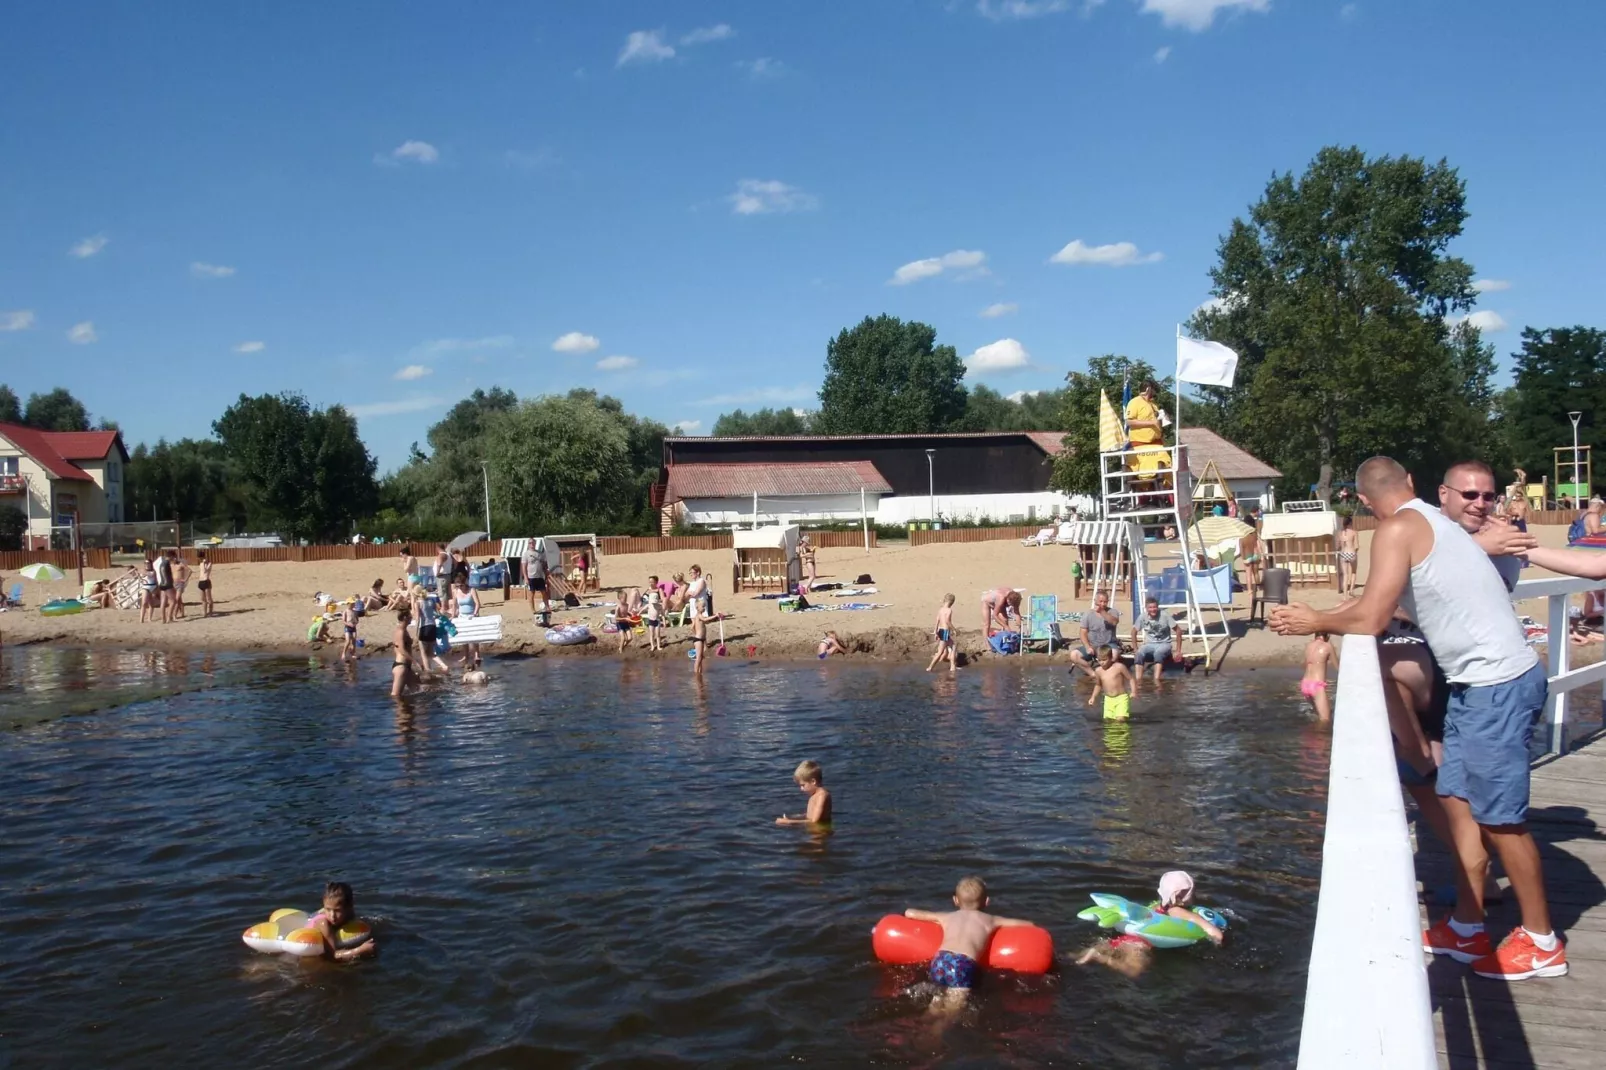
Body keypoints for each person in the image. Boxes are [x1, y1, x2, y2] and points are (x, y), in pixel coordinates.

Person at [1272, 456, 1564, 981]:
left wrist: (1315, 619)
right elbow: (1407, 599)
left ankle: (1542, 941)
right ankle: (1469, 926)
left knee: (1500, 819)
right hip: (1476, 686)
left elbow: (1374, 617)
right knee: (1455, 801)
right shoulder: (1435, 521)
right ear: (1411, 482)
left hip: (1498, 685)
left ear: (1362, 501)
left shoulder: (1394, 531)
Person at [902, 877, 1036, 1014]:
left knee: (937, 1000)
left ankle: (924, 1027)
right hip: (963, 964)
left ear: (955, 900)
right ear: (987, 901)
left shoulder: (946, 916)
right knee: (951, 1012)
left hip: (940, 960)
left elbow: (910, 912)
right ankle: (937, 1032)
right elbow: (1029, 925)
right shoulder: (991, 919)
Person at [1075, 870, 1224, 978]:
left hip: (1126, 937)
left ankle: (1090, 953)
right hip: (1139, 945)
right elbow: (1215, 933)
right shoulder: (1178, 911)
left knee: (1077, 959)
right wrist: (1217, 942)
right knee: (1133, 971)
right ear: (1184, 897)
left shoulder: (1154, 906)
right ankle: (1100, 957)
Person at [308, 881, 376, 962]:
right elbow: (332, 956)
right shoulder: (324, 924)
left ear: (349, 907)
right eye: (328, 909)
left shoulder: (350, 913)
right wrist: (359, 950)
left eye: (337, 911)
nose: (332, 915)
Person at [1130, 596, 1181, 690]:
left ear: (1157, 607)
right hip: (1149, 644)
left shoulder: (1164, 615)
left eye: (1154, 607)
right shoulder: (1143, 617)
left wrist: (1178, 650)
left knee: (1158, 653)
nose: (1153, 609)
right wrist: (1135, 648)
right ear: (1146, 608)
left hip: (1164, 643)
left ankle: (1156, 680)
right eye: (1150, 607)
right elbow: (1133, 632)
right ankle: (1138, 681)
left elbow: (1178, 630)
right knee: (1139, 653)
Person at [1124, 379, 1169, 480]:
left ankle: (1164, 492)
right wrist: (1151, 423)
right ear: (1148, 389)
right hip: (1141, 446)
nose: (1155, 393)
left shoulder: (1153, 405)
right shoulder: (1135, 402)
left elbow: (1158, 423)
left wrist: (1164, 419)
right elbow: (1129, 422)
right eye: (1154, 390)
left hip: (1156, 444)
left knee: (1167, 468)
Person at [1068, 591, 1120, 677]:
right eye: (1100, 601)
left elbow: (1114, 622)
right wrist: (1087, 646)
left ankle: (1107, 674)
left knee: (1114, 654)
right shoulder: (1088, 614)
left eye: (1105, 602)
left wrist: (1102, 612)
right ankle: (1093, 674)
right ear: (1095, 601)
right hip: (1093, 645)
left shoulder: (1112, 612)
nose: (1102, 604)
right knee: (1074, 655)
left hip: (1108, 644)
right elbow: (1083, 632)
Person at [775, 759, 832, 827]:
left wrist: (789, 822)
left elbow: (814, 821)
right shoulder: (814, 795)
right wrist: (796, 817)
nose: (801, 789)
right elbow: (811, 815)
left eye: (803, 785)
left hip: (822, 830)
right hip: (814, 829)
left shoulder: (822, 796)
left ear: (813, 781)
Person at [411, 584, 451, 676]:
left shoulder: (418, 603)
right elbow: (437, 613)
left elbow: (418, 619)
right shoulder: (431, 601)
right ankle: (443, 665)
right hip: (432, 627)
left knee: (424, 653)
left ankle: (428, 671)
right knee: (431, 652)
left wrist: (415, 634)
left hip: (424, 627)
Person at [1088, 645, 1135, 720]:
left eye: (1104, 660)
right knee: (1108, 721)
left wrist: (1133, 691)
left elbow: (1131, 679)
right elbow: (1098, 685)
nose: (1101, 662)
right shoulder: (1098, 671)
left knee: (1120, 720)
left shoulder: (1119, 667)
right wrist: (1093, 697)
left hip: (1121, 698)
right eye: (1099, 660)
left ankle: (1124, 731)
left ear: (1110, 658)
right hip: (1108, 699)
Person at [1301, 632, 1337, 721]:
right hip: (1317, 686)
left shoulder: (1309, 645)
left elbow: (1305, 665)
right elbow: (1337, 667)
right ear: (1328, 635)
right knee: (1325, 720)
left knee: (1316, 714)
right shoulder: (1328, 646)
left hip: (1305, 684)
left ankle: (1309, 734)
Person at [390, 607, 419, 697]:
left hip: (407, 667)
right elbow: (401, 650)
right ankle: (400, 710)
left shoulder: (404, 630)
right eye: (410, 616)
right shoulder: (400, 631)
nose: (412, 617)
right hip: (401, 667)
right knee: (396, 696)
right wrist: (415, 662)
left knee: (417, 690)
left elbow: (396, 647)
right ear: (405, 617)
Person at [926, 593, 958, 673]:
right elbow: (947, 621)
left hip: (941, 630)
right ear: (952, 603)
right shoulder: (949, 610)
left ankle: (952, 666)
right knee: (940, 652)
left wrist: (935, 631)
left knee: (953, 646)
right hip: (945, 631)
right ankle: (930, 667)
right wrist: (954, 629)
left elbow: (937, 620)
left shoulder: (940, 610)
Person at [1337, 516, 1359, 595]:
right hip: (1351, 552)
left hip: (1343, 553)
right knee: (1353, 572)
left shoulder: (1340, 532)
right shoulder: (1354, 532)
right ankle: (1351, 590)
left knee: (1345, 575)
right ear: (1350, 523)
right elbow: (1357, 546)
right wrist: (1355, 552)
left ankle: (1345, 596)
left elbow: (1338, 546)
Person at [153, 549, 176, 624]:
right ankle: (169, 617)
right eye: (173, 557)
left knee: (163, 602)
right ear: (171, 556)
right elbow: (167, 575)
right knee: (173, 601)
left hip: (162, 584)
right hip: (167, 584)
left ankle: (163, 619)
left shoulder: (161, 563)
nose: (174, 559)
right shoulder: (167, 563)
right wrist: (170, 583)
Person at [340, 596, 362, 662]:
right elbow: (343, 621)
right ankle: (343, 653)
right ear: (348, 604)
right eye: (351, 603)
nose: (353, 604)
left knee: (354, 640)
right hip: (347, 627)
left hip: (353, 627)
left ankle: (353, 653)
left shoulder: (355, 612)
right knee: (348, 641)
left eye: (353, 603)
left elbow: (357, 620)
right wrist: (348, 624)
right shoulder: (346, 611)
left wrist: (355, 623)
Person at [172, 554, 190, 619]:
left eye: (175, 558)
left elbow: (189, 570)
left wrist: (185, 579)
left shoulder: (181, 564)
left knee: (177, 599)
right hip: (173, 583)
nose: (174, 559)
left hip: (180, 583)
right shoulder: (171, 565)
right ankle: (182, 612)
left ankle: (174, 615)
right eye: (173, 558)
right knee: (179, 599)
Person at [197, 551, 214, 616]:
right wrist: (202, 563)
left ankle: (210, 612)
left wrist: (204, 563)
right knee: (203, 599)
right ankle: (204, 612)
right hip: (201, 581)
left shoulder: (209, 563)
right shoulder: (201, 563)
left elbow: (205, 570)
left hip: (206, 581)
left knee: (209, 599)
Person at [690, 611, 707, 676]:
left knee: (701, 657)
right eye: (702, 606)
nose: (704, 608)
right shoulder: (699, 615)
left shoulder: (696, 616)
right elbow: (705, 619)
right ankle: (696, 674)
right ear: (697, 608)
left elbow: (692, 627)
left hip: (700, 639)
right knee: (699, 658)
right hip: (698, 640)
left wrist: (695, 633)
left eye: (704, 606)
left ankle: (700, 672)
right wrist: (715, 616)